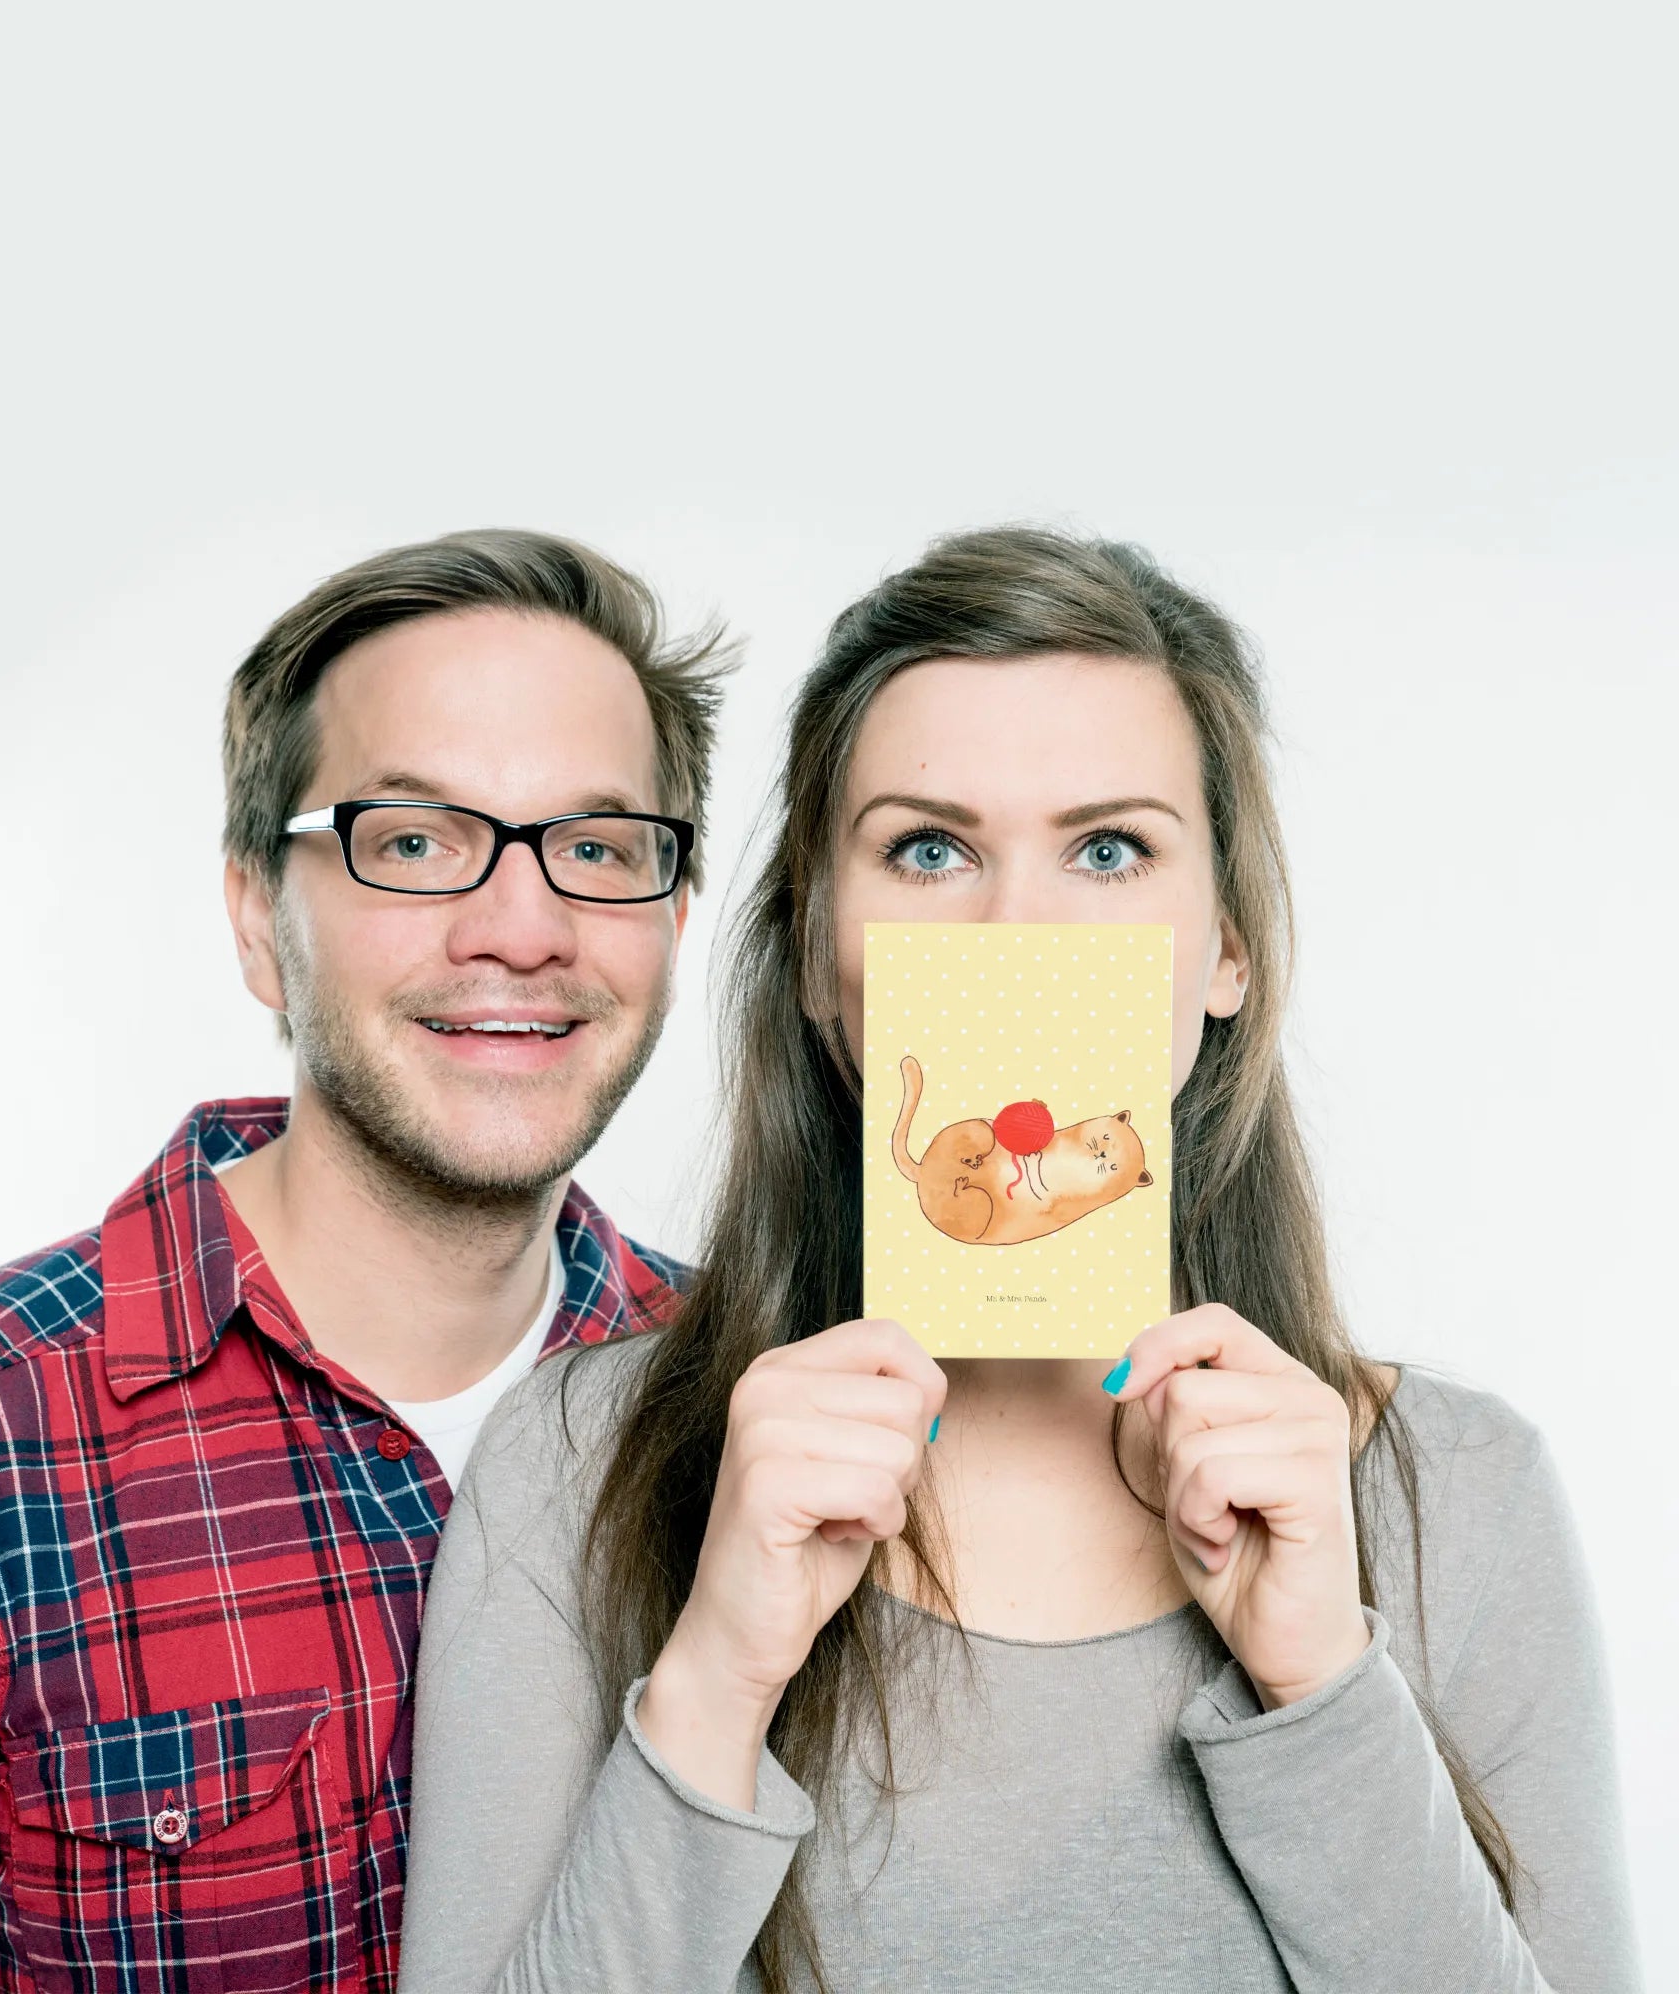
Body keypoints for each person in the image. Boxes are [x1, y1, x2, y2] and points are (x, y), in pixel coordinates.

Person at [396, 527, 1641, 1992]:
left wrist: (1320, 1683)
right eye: (929, 851)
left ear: (1226, 950)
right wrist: (717, 1674)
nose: (1017, 935)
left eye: (1109, 851)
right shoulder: (576, 1464)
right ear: (819, 952)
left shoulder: (1462, 1495)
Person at [0, 529, 732, 1992]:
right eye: (414, 842)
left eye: (598, 850)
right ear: (256, 920)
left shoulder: (747, 1391)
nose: (523, 927)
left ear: (673, 916)